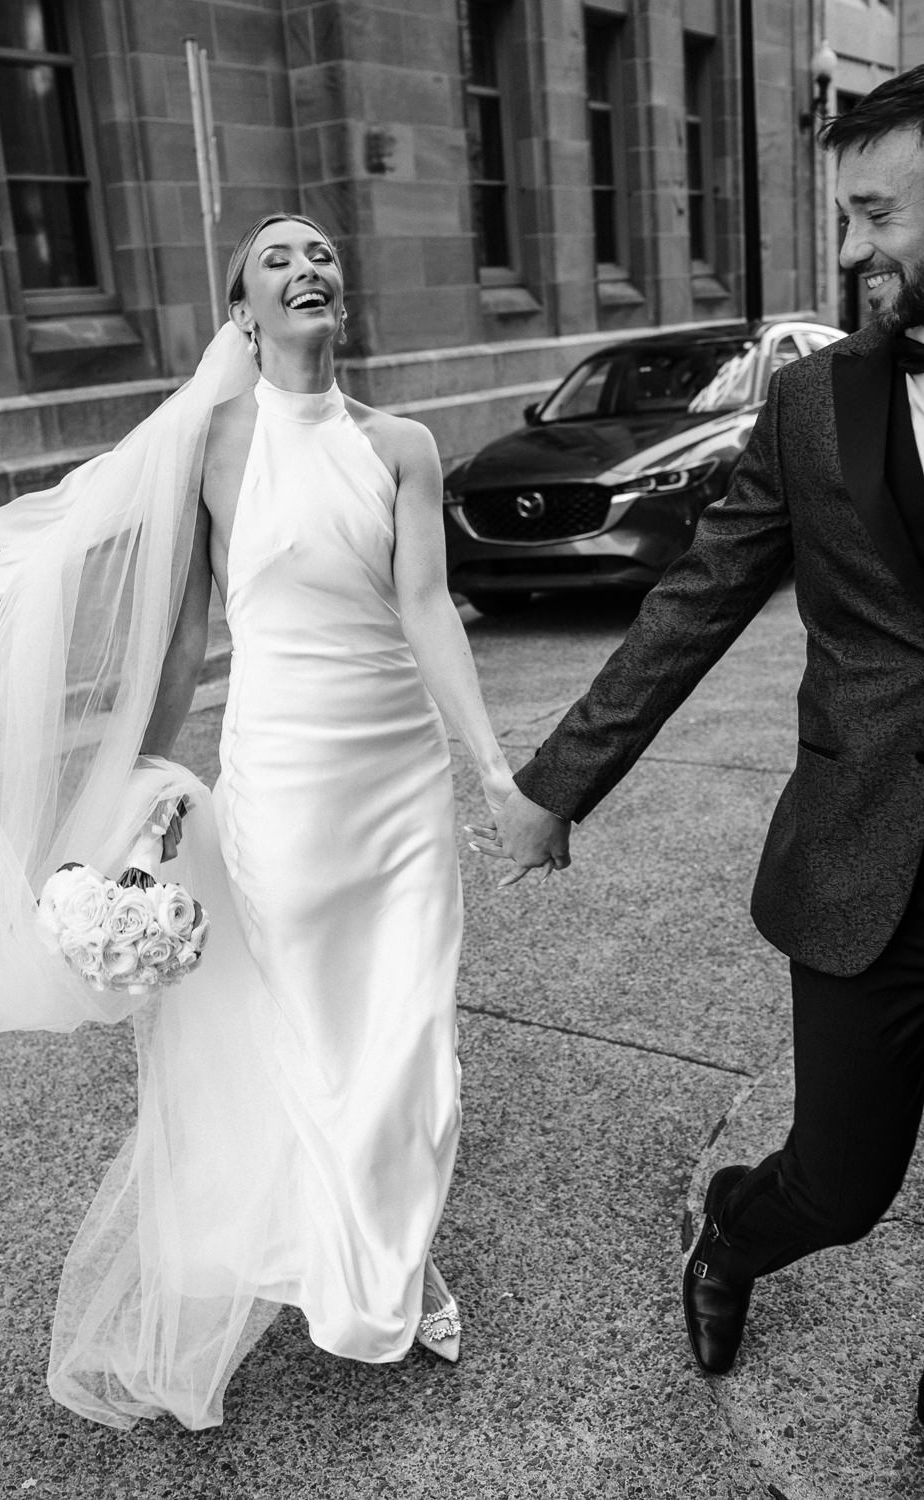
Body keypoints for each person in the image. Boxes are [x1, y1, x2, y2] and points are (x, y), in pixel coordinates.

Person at [0, 213, 515, 1430]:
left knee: (408, 1033)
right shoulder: (213, 443)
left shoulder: (403, 444)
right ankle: (353, 1250)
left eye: (320, 256)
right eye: (275, 260)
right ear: (243, 309)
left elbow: (425, 607)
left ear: (342, 295)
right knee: (311, 1029)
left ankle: (389, 1258)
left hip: (396, 778)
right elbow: (184, 634)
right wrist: (125, 793)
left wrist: (495, 771)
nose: (307, 269)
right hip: (283, 778)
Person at [471, 65, 924, 1409]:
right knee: (840, 1188)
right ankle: (732, 1228)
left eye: (875, 214)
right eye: (840, 217)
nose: (848, 253)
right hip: (863, 868)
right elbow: (697, 596)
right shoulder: (810, 402)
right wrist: (556, 785)